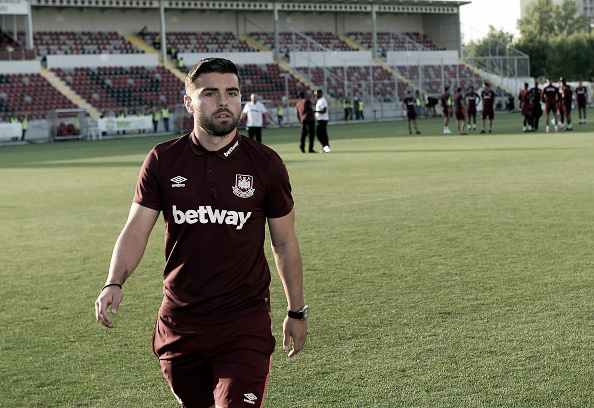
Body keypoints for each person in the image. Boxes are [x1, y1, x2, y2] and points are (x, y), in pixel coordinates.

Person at [94, 57, 308, 408]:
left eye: (232, 92)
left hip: (244, 321)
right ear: (189, 102)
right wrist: (113, 282)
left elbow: (284, 242)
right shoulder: (163, 160)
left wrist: (296, 311)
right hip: (179, 324)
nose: (224, 101)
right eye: (210, 93)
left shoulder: (266, 164)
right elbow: (136, 230)